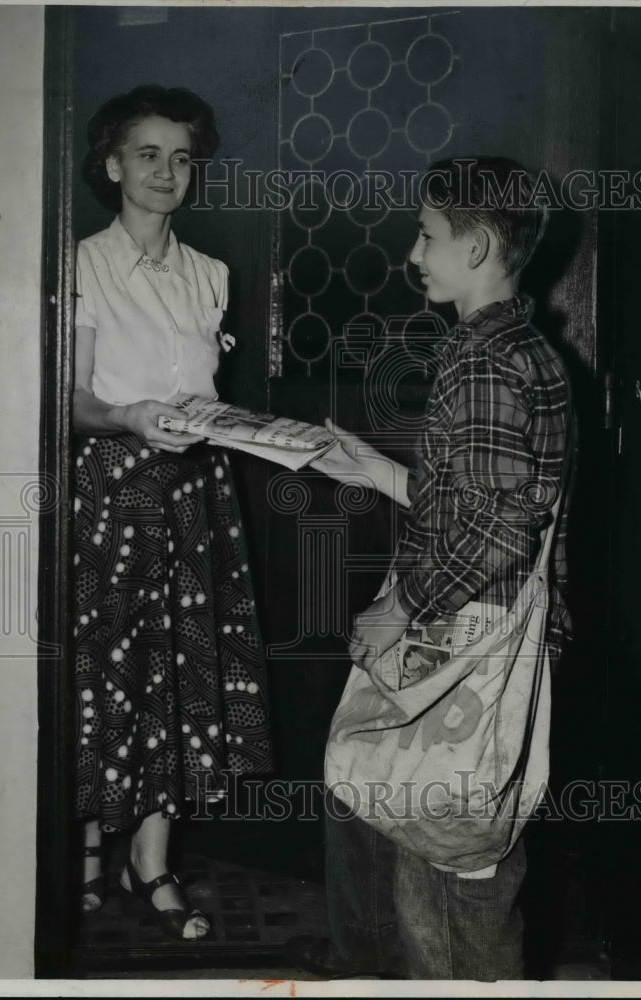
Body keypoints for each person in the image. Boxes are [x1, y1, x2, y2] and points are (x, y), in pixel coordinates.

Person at [287, 156, 573, 979]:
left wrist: (402, 603)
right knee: (445, 834)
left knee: (451, 862)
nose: (413, 253)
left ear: (477, 244)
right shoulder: (523, 349)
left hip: (462, 633)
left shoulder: (478, 361)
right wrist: (375, 469)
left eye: (426, 235)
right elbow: (483, 501)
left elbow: (492, 527)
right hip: (500, 630)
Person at [73, 85, 273, 940]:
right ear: (113, 165)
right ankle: (84, 851)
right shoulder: (79, 264)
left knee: (188, 678)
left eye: (181, 157)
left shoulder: (211, 275)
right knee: (105, 670)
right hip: (113, 489)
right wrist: (126, 418)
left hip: (197, 493)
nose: (165, 171)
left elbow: (208, 396)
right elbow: (71, 400)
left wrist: (244, 428)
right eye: (147, 154)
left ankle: (151, 860)